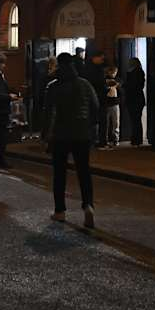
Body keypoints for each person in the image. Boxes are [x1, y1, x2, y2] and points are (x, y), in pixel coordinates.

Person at [43, 53, 99, 228]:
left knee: (59, 173)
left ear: (59, 65)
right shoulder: (84, 84)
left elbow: (47, 112)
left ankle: (60, 211)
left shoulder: (53, 86)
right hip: (82, 134)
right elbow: (95, 107)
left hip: (61, 135)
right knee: (84, 172)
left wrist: (46, 135)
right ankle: (88, 205)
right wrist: (89, 126)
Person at [124, 58, 146, 147]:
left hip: (134, 99)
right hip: (137, 99)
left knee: (135, 120)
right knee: (136, 120)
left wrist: (124, 85)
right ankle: (136, 139)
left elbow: (133, 86)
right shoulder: (139, 72)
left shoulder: (134, 73)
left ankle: (136, 139)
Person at [102, 66, 122, 148]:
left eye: (115, 72)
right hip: (107, 103)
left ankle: (116, 139)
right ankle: (105, 140)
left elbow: (121, 91)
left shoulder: (118, 80)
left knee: (116, 123)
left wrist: (117, 86)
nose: (114, 74)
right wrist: (108, 86)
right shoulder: (104, 80)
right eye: (112, 72)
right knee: (106, 123)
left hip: (115, 103)